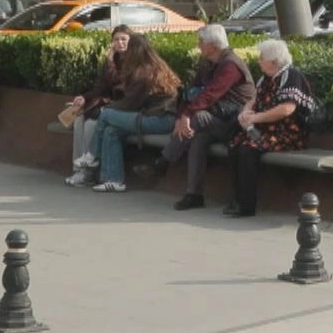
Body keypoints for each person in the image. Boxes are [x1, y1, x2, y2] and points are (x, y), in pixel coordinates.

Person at [136, 24, 254, 210]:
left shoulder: (231, 65)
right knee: (197, 139)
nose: (198, 45)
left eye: (201, 42)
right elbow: (191, 92)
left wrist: (187, 115)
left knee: (198, 118)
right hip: (215, 119)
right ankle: (194, 195)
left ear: (212, 46)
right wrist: (180, 117)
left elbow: (210, 94)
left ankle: (162, 163)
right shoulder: (208, 63)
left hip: (234, 123)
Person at [224, 39, 319, 218]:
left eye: (262, 58)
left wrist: (256, 118)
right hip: (266, 131)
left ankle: (246, 206)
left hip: (288, 134)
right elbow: (254, 100)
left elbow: (287, 109)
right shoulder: (265, 78)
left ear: (274, 61)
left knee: (247, 149)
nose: (259, 60)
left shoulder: (291, 76)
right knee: (234, 144)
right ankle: (237, 200)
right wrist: (245, 112)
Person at [85, 34, 181, 193]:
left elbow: (130, 105)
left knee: (106, 114)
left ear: (134, 52)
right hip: (154, 116)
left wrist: (107, 108)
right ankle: (114, 180)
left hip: (160, 119)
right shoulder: (153, 66)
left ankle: (92, 155)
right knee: (111, 131)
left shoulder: (144, 73)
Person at [64, 26, 132, 186]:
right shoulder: (112, 60)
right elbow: (100, 87)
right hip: (109, 104)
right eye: (116, 39)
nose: (120, 43)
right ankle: (79, 169)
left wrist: (109, 63)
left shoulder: (134, 61)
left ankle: (89, 173)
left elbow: (120, 86)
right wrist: (84, 97)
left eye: (124, 39)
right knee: (79, 118)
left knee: (91, 124)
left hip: (124, 107)